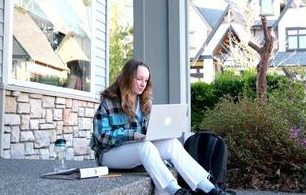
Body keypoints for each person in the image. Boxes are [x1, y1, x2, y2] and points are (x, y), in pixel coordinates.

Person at [90, 59, 226, 195]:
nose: (143, 84)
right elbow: (101, 136)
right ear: (128, 77)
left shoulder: (144, 102)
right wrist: (132, 135)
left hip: (138, 150)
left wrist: (160, 133)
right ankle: (175, 191)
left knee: (172, 143)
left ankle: (209, 189)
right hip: (109, 154)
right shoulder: (110, 101)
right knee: (145, 146)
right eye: (139, 79)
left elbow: (149, 133)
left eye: (146, 80)